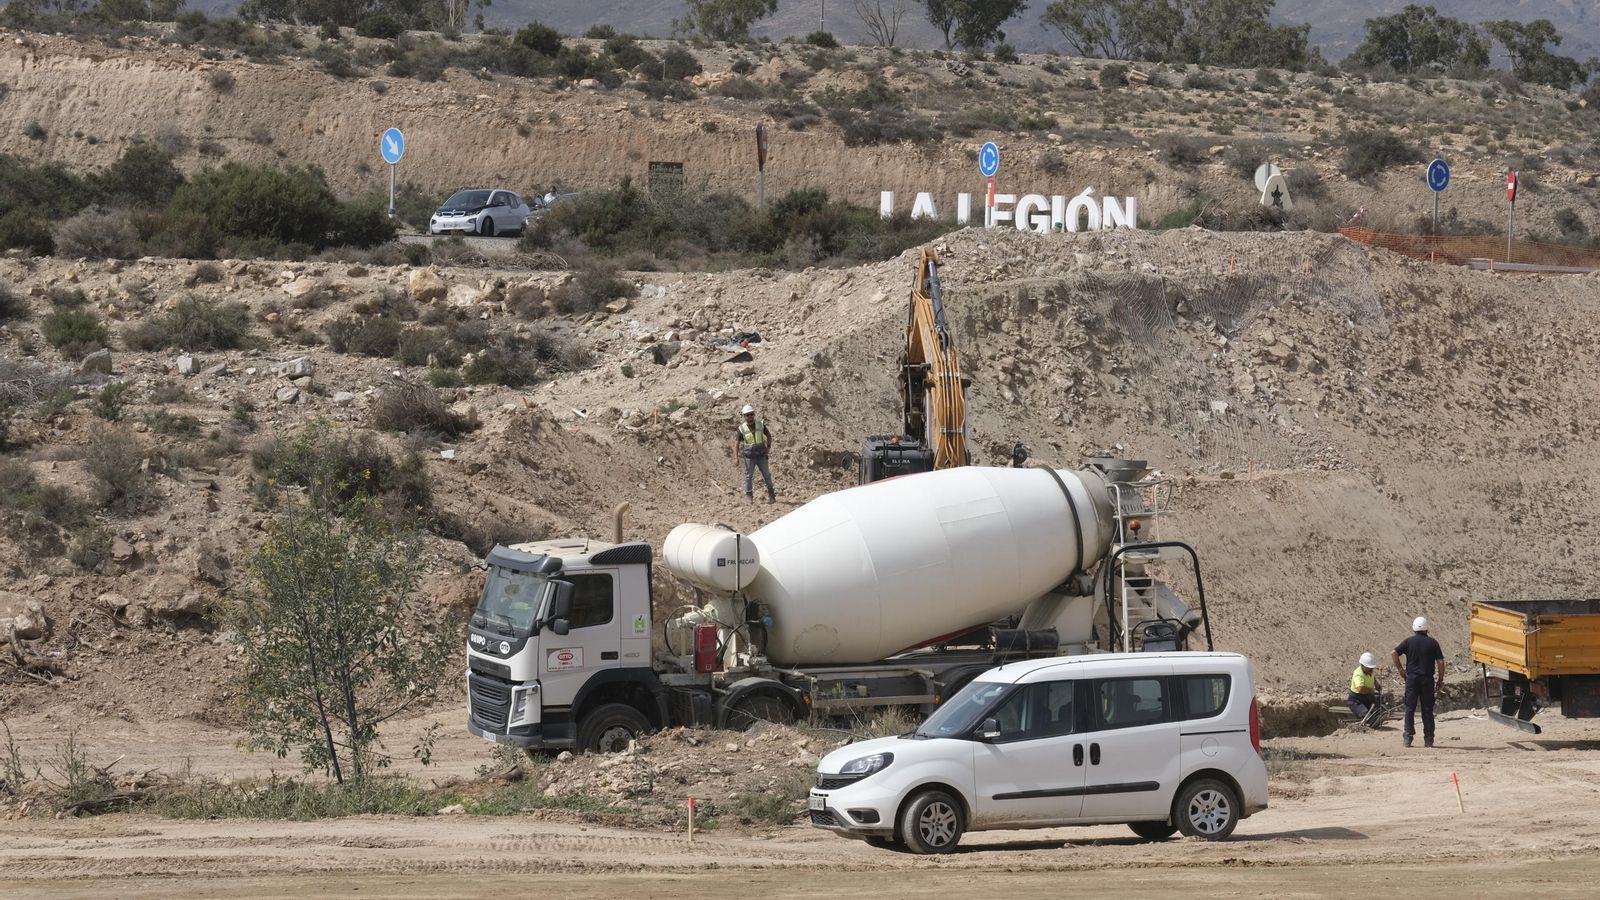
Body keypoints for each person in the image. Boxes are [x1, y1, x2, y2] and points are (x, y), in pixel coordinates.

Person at [1392, 616, 1446, 748]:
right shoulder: (1433, 643)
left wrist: (1400, 670)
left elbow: (1394, 653)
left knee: (1409, 708)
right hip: (1427, 679)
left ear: (1414, 629)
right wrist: (1440, 679)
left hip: (1412, 679)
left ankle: (1408, 738)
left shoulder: (1409, 642)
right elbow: (1440, 662)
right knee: (1427, 710)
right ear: (1426, 629)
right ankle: (1429, 739)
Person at [734, 404, 776, 502]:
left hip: (761, 455)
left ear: (754, 414)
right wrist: (736, 457)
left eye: (751, 414)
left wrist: (768, 448)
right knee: (748, 476)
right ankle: (749, 496)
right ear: (744, 416)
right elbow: (737, 443)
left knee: (767, 475)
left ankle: (772, 496)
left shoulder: (760, 425)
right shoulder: (742, 428)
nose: (750, 416)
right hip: (749, 457)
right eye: (747, 415)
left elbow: (769, 436)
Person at [1346, 652, 1381, 722]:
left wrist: (1377, 685)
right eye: (1369, 668)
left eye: (1372, 668)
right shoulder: (1358, 674)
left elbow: (1373, 677)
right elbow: (1360, 689)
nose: (1371, 670)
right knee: (1367, 718)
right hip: (1356, 700)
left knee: (1375, 714)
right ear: (1362, 666)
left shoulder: (1370, 671)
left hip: (1366, 698)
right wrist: (1371, 690)